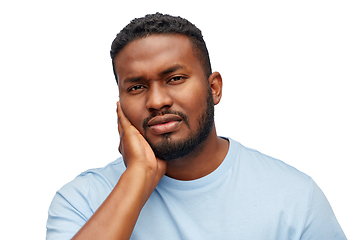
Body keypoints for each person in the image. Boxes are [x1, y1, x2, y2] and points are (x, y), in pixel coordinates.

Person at [46, 13, 347, 240]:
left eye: (174, 79)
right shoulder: (82, 201)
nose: (157, 100)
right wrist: (138, 176)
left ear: (213, 88)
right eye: (136, 87)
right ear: (120, 103)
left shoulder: (294, 197)